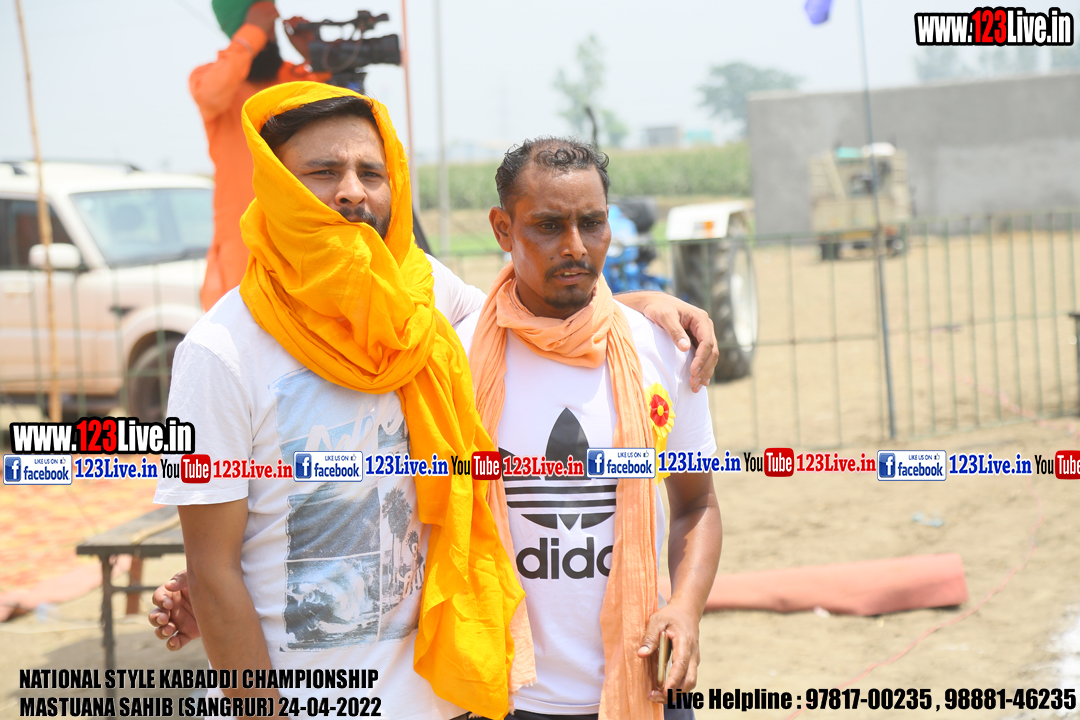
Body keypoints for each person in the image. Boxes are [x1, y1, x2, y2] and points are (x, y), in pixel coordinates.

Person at [153, 81, 719, 719]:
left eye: (371, 172)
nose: (352, 191)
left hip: (443, 699)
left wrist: (641, 309)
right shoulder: (220, 354)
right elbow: (213, 568)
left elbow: (533, 312)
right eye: (323, 171)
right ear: (277, 185)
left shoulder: (421, 300)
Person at [458, 137, 722, 719]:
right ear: (503, 229)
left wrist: (685, 608)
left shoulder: (663, 350)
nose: (575, 247)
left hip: (644, 687)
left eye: (593, 223)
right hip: (502, 694)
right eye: (548, 226)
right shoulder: (457, 356)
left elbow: (696, 503)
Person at [194, 1, 326, 310]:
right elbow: (211, 93)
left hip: (303, 239)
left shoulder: (293, 78)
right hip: (243, 247)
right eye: (266, 23)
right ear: (241, 27)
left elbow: (335, 105)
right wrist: (253, 31)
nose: (273, 29)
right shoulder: (210, 80)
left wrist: (314, 56)